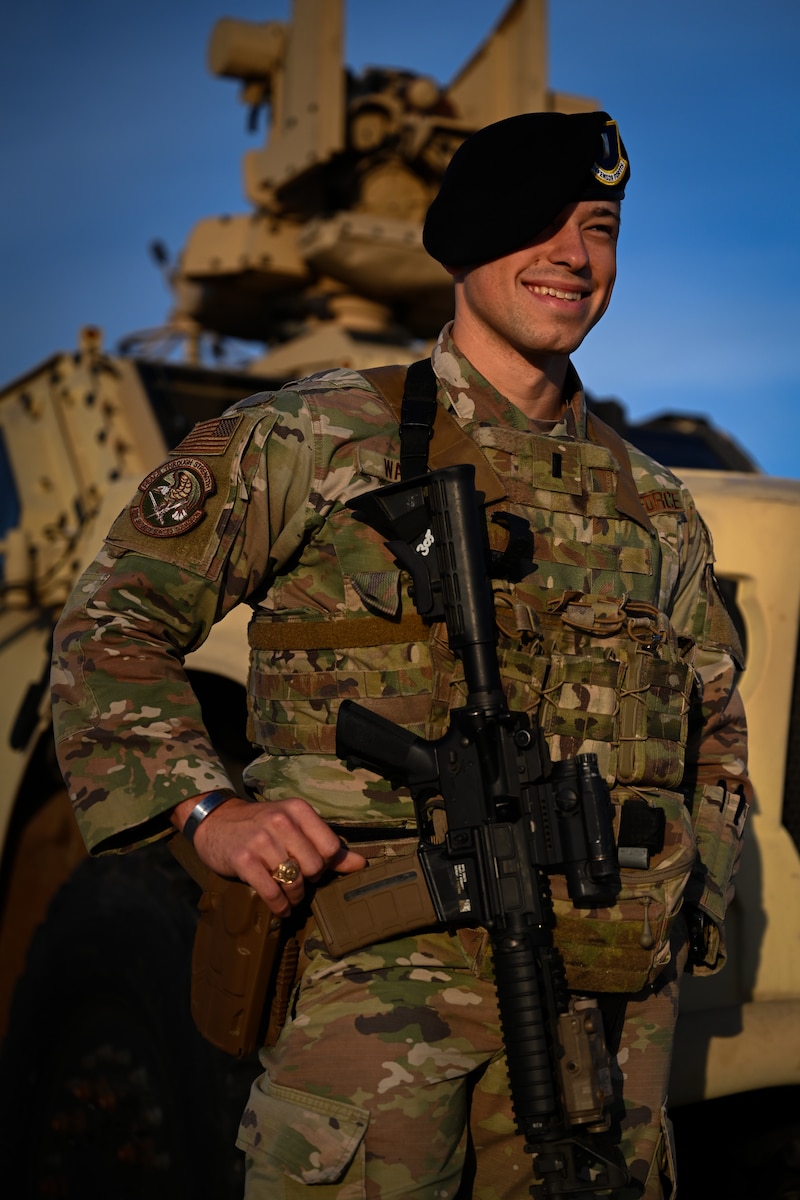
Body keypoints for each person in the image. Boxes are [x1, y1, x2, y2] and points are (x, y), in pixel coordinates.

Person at [51, 111, 750, 1199]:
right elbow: (110, 623)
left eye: (600, 227)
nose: (574, 255)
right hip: (374, 1022)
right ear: (467, 241)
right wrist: (207, 811)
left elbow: (712, 730)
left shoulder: (652, 504)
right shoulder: (315, 438)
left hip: (599, 1037)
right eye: (539, 224)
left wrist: (676, 915)